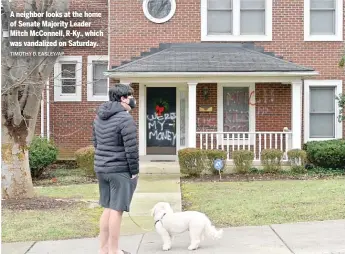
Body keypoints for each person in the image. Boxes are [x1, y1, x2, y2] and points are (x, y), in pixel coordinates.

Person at [92, 84, 139, 254]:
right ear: (122, 98)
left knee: (108, 207)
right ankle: (114, 251)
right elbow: (131, 149)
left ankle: (103, 250)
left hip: (102, 169)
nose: (133, 99)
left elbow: (96, 143)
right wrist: (134, 172)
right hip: (119, 170)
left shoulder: (98, 117)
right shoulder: (125, 119)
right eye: (130, 96)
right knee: (117, 210)